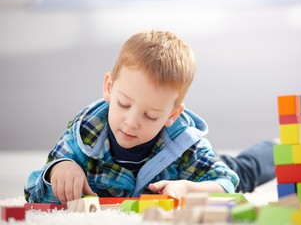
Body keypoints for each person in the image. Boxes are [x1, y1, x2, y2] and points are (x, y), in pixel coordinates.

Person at [24, 30, 275, 205]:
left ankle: (277, 148)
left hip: (190, 169)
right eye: (123, 104)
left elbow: (226, 182)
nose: (131, 122)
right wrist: (59, 169)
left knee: (242, 172)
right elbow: (34, 190)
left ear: (172, 114)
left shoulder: (186, 143)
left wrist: (190, 189)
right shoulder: (85, 133)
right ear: (109, 87)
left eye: (151, 115)